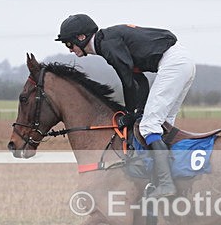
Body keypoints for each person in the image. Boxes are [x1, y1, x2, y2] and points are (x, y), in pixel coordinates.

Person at [56, 14, 196, 197]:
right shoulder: (108, 41)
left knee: (149, 126)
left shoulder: (107, 44)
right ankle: (168, 178)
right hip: (181, 62)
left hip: (174, 64)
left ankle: (166, 184)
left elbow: (127, 80)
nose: (70, 50)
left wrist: (131, 113)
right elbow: (140, 80)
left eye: (69, 44)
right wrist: (138, 110)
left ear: (81, 38)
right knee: (161, 125)